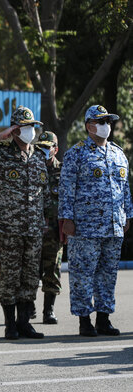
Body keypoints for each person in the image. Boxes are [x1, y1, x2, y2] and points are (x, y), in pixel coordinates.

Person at [0, 106, 47, 340]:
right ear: (15, 130)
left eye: (32, 127)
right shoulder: (0, 155)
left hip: (33, 228)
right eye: (24, 127)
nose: (30, 131)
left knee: (30, 277)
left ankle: (25, 323)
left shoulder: (38, 156)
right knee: (9, 278)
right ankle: (10, 325)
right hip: (8, 228)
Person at [59, 105, 132, 337]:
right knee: (82, 274)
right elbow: (66, 189)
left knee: (108, 274)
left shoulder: (118, 153)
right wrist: (66, 218)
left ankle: (103, 319)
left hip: (113, 225)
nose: (106, 126)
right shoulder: (76, 153)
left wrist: (128, 214)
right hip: (85, 227)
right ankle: (84, 320)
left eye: (108, 122)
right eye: (101, 122)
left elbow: (125, 189)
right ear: (89, 126)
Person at [35, 132, 62, 324]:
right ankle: (28, 308)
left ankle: (48, 310)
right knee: (29, 271)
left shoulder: (64, 171)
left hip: (54, 230)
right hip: (32, 230)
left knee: (52, 270)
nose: (44, 150)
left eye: (48, 147)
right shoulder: (31, 167)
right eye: (40, 147)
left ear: (55, 149)